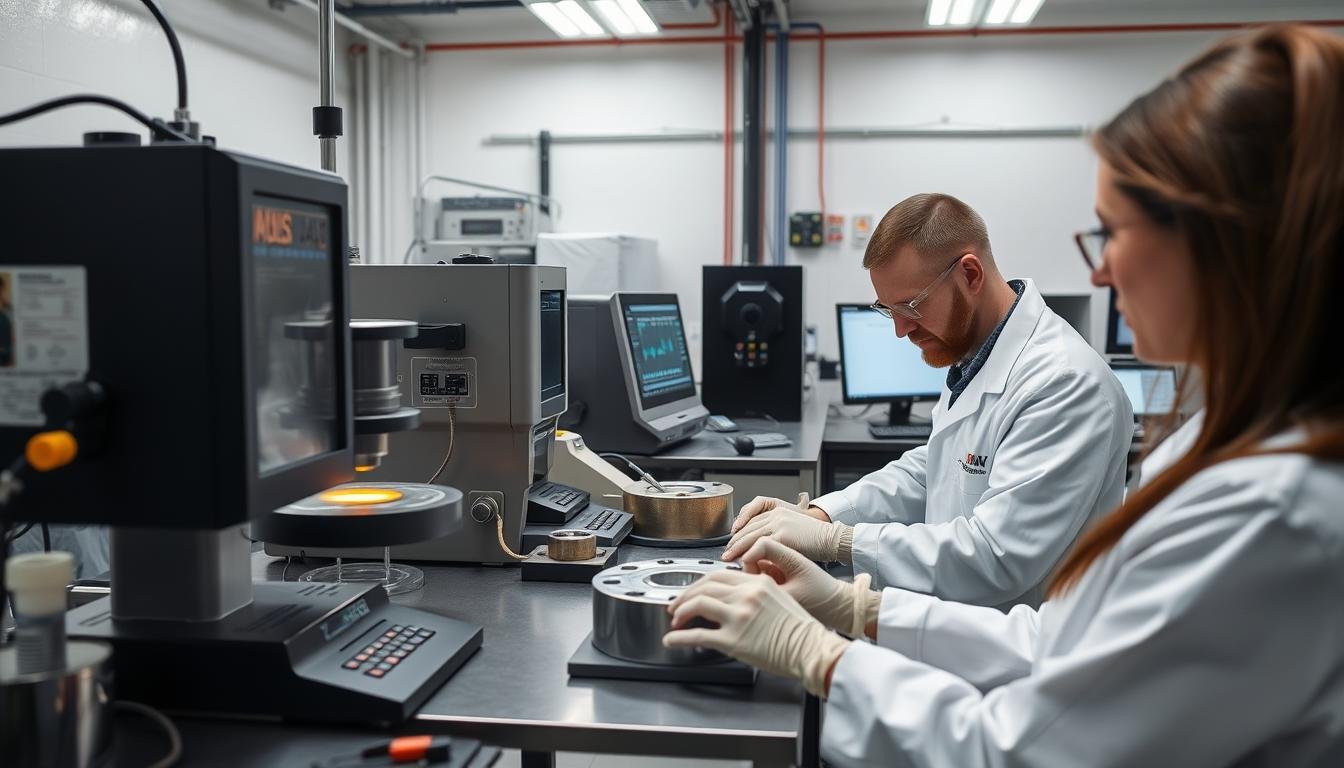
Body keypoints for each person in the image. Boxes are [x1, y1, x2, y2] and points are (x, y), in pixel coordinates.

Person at [667, 24, 1344, 766]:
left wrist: (826, 649)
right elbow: (1059, 630)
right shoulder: (1210, 437)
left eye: (1111, 232)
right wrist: (851, 587)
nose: (1099, 273)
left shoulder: (1261, 507)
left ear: (1224, 244)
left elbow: (1017, 742)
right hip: (972, 665)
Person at [724, 193, 1132, 610]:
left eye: (911, 306)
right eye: (888, 310)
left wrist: (839, 542)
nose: (901, 330)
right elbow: (934, 469)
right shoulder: (976, 353)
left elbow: (995, 558)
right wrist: (822, 515)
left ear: (970, 275)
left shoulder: (1064, 383)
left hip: (1025, 655)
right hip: (957, 631)